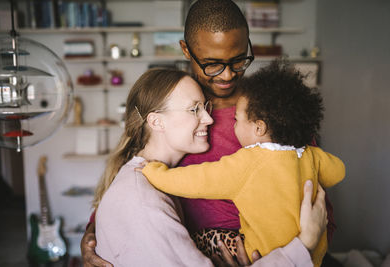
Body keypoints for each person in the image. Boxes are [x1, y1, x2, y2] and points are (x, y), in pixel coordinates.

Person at [81, 0, 335, 265]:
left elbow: (319, 214)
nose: (227, 75)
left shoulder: (275, 111)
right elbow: (130, 189)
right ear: (186, 50)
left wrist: (275, 253)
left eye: (238, 61)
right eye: (212, 64)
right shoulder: (175, 112)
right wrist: (92, 239)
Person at [91, 68, 325, 267]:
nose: (209, 119)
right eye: (194, 109)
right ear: (156, 121)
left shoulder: (147, 182)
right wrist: (304, 244)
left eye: (206, 107)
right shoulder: (142, 202)